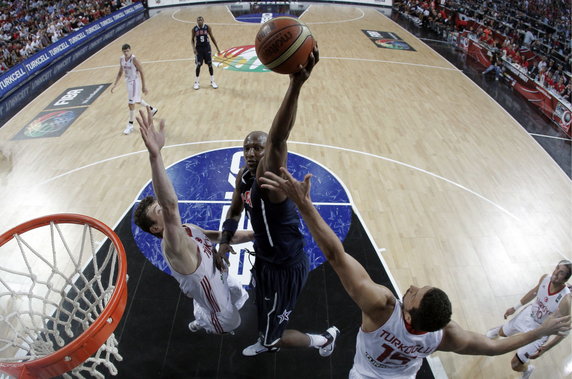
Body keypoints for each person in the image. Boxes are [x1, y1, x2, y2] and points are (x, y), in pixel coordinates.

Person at [258, 167, 571, 379]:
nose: (409, 286)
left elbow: (335, 255)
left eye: (412, 294)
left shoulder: (382, 307)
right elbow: (491, 348)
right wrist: (540, 333)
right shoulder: (444, 335)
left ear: (407, 314)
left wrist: (304, 204)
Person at [217, 47, 340, 357]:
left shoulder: (271, 183)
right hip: (267, 260)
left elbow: (278, 139)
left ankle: (323, 340)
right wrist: (223, 243)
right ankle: (267, 333)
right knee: (264, 307)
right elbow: (234, 209)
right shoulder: (244, 177)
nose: (251, 153)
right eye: (247, 148)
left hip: (286, 265)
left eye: (257, 148)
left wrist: (295, 85)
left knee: (273, 338)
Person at [133, 107, 250, 335]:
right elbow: (170, 205)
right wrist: (155, 155)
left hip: (216, 274)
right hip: (217, 311)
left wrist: (261, 234)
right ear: (156, 227)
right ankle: (202, 322)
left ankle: (197, 296)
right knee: (232, 322)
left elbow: (225, 236)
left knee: (239, 293)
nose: (164, 209)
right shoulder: (173, 244)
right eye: (159, 210)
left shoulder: (189, 229)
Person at [485, 260, 571, 379]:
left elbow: (565, 332)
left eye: (561, 273)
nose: (556, 273)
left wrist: (546, 348)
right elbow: (533, 292)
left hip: (540, 331)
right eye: (556, 268)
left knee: (515, 364)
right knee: (502, 333)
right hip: (528, 315)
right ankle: (499, 329)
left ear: (566, 279)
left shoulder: (565, 301)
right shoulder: (546, 278)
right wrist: (514, 308)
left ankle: (528, 369)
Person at [110, 43, 158, 135]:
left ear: (130, 50)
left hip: (135, 82)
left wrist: (144, 86)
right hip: (128, 82)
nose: (126, 53)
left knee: (131, 104)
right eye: (124, 51)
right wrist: (115, 84)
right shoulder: (122, 59)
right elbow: (120, 72)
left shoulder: (134, 59)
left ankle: (130, 125)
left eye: (127, 51)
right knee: (137, 100)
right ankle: (152, 109)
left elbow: (142, 71)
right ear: (122, 52)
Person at [192, 16, 220, 90]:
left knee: (210, 64)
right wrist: (194, 48)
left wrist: (217, 48)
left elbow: (212, 37)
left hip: (207, 48)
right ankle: (196, 82)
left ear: (203, 20)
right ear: (197, 21)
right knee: (199, 64)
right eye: (198, 20)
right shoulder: (194, 29)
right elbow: (192, 40)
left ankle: (212, 81)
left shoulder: (207, 27)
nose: (200, 21)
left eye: (201, 20)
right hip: (199, 49)